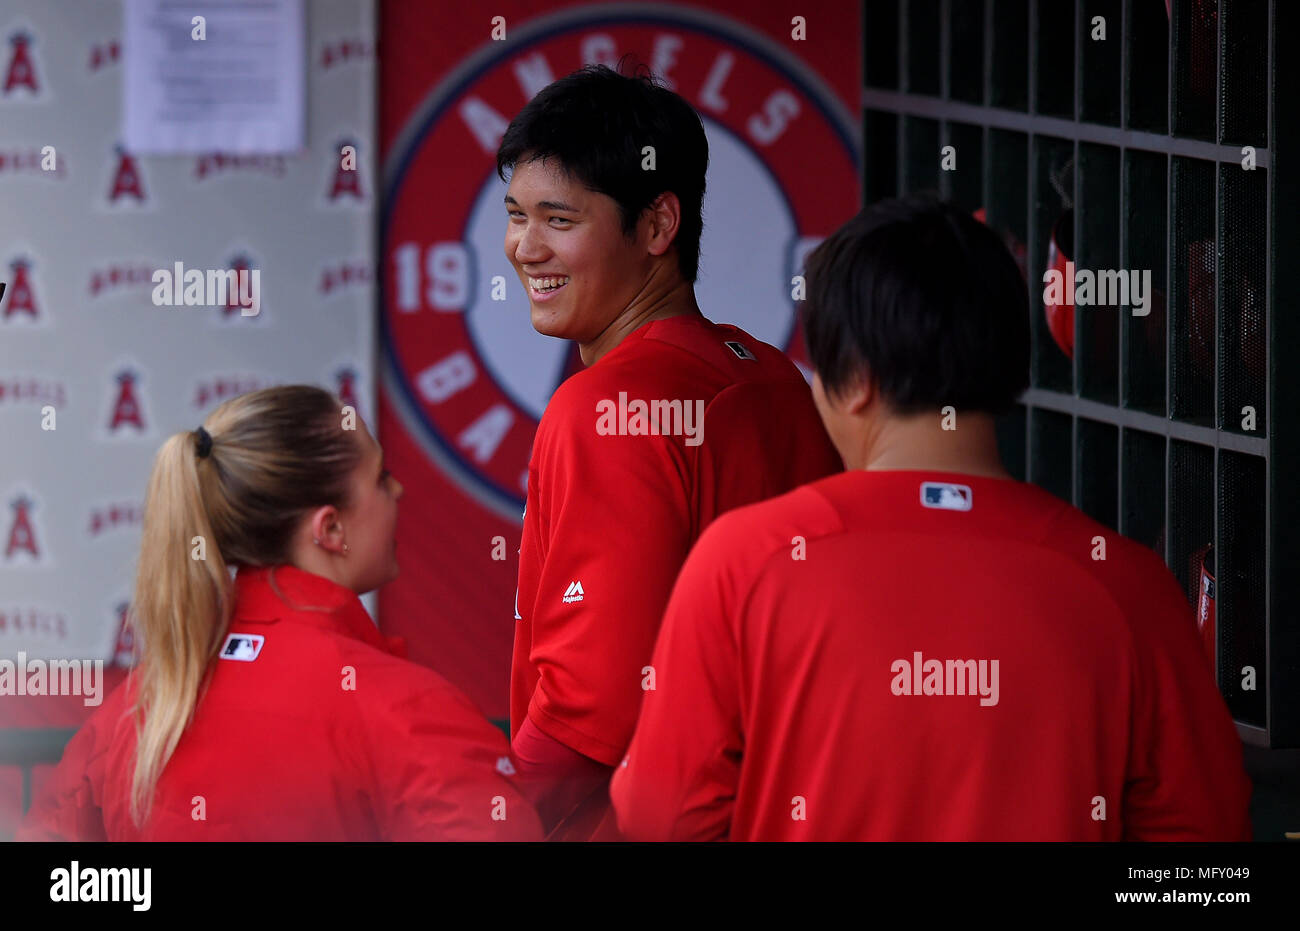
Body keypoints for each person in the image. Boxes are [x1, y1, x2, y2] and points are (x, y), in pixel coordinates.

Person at [609, 197, 1254, 841]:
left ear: (855, 380)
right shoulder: (1126, 585)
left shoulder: (743, 564)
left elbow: (663, 821)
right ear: (1009, 365)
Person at [498, 64, 842, 838]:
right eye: (516, 214)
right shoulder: (768, 368)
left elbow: (594, 707)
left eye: (558, 219)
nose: (524, 247)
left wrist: (488, 818)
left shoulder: (603, 406)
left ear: (658, 226)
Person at [18, 385, 541, 841]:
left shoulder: (142, 708)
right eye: (382, 477)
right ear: (330, 529)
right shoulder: (406, 709)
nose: (398, 490)